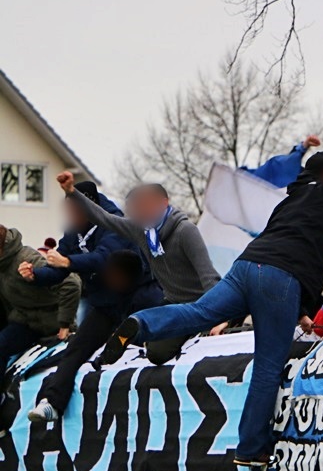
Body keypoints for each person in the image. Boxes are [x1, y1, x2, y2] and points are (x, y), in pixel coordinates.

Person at [97, 150, 323, 466]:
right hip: (279, 277)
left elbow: (296, 246)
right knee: (268, 363)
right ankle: (251, 447)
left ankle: (140, 324)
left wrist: (301, 311)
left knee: (198, 312)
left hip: (247, 267)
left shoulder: (291, 200)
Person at [57, 172, 221, 365]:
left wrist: (218, 315)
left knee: (154, 338)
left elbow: (209, 276)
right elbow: (104, 218)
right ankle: (115, 349)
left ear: (163, 203)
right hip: (171, 303)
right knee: (147, 338)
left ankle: (195, 328)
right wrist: (72, 192)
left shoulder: (185, 231)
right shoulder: (141, 231)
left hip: (198, 304)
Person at [27, 250, 163, 423]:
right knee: (75, 348)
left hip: (136, 328)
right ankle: (52, 402)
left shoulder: (149, 296)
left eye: (116, 277)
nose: (111, 280)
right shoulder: (107, 291)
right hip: (108, 309)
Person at [0, 226, 81, 361]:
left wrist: (65, 323)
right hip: (24, 323)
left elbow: (71, 283)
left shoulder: (26, 259)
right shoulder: (2, 266)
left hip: (52, 323)